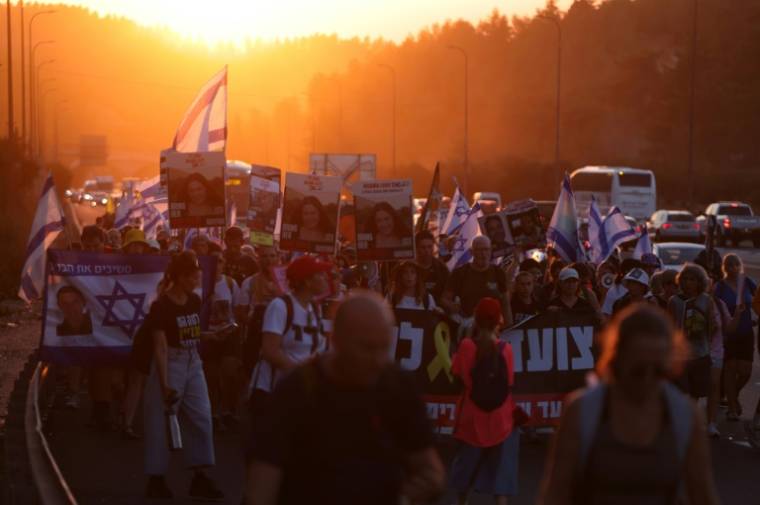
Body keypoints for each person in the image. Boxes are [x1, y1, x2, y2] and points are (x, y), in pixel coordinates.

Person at [245, 291, 445, 505]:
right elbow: (261, 488)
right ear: (336, 340)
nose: (378, 360)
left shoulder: (398, 386)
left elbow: (430, 471)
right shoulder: (297, 391)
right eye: (367, 347)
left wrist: (408, 495)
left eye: (385, 347)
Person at [539, 304, 719, 505]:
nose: (648, 379)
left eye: (659, 371)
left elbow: (703, 494)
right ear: (616, 359)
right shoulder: (582, 411)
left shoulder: (685, 415)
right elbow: (556, 492)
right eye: (638, 370)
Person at [142, 251, 224, 501]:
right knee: (162, 422)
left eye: (197, 274)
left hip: (192, 361)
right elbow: (161, 345)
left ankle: (199, 476)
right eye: (191, 276)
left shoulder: (194, 301)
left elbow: (191, 333)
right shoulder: (161, 306)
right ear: (179, 277)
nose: (196, 279)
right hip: (172, 363)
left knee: (201, 417)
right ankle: (156, 479)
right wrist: (165, 383)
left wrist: (210, 335)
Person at [449, 298, 519, 505]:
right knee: (501, 481)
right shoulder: (506, 349)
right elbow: (510, 383)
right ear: (499, 320)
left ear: (476, 321)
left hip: (471, 419)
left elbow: (457, 374)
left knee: (465, 473)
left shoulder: (466, 346)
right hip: (502, 419)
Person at [247, 255, 331, 423]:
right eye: (320, 274)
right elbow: (270, 351)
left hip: (301, 392)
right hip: (273, 392)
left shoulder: (315, 308)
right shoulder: (280, 306)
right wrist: (302, 374)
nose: (325, 278)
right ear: (307, 281)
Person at [202, 249, 243, 431]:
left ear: (224, 263)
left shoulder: (230, 283)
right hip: (209, 336)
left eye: (219, 261)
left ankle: (228, 410)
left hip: (228, 335)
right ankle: (213, 413)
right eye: (213, 261)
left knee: (229, 373)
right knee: (211, 376)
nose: (216, 265)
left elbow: (237, 309)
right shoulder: (200, 283)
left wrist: (234, 329)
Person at [713, 253, 757, 421]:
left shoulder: (747, 282)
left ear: (740, 266)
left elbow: (758, 298)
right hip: (728, 334)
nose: (733, 268)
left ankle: (733, 396)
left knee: (746, 371)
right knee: (730, 371)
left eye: (735, 265)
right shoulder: (721, 287)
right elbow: (714, 306)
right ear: (725, 267)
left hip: (746, 332)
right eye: (729, 265)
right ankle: (732, 407)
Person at [667, 264, 716, 401]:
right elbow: (669, 326)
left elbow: (712, 326)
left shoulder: (706, 300)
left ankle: (691, 420)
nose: (689, 283)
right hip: (680, 355)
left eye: (693, 280)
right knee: (681, 393)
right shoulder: (674, 301)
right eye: (686, 279)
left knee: (695, 394)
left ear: (700, 282)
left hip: (700, 353)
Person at [441, 236, 512, 325]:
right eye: (479, 250)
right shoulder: (460, 273)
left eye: (486, 250)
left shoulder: (498, 272)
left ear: (491, 251)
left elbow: (505, 303)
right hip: (468, 326)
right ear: (472, 252)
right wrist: (452, 306)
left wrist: (509, 329)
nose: (483, 254)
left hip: (493, 327)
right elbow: (444, 299)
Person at [415, 230, 450, 305]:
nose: (427, 251)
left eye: (429, 247)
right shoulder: (408, 267)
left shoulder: (441, 268)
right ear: (416, 248)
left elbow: (448, 293)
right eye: (423, 247)